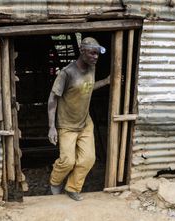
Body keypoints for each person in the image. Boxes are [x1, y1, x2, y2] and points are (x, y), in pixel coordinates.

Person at [48, 37, 110, 201]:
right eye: (92, 53)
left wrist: (106, 81)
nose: (95, 57)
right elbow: (52, 99)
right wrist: (51, 127)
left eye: (97, 54)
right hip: (66, 124)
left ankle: (72, 188)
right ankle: (55, 182)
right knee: (68, 161)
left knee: (88, 159)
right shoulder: (66, 73)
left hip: (85, 122)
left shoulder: (92, 67)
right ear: (82, 51)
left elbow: (86, 88)